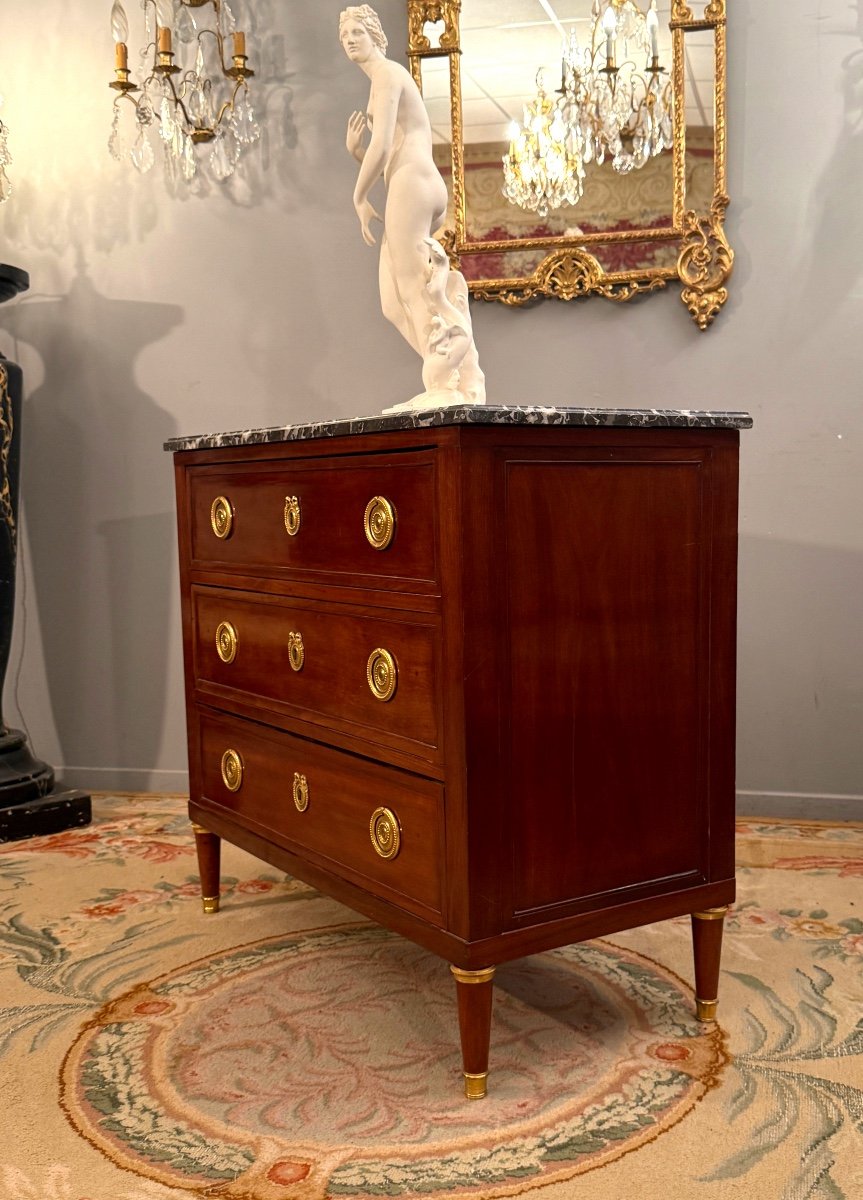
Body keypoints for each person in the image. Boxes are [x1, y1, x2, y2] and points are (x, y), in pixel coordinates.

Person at [339, 5, 484, 406]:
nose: (349, 40)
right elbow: (389, 149)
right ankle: (460, 371)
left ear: (374, 35)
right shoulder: (382, 80)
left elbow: (386, 143)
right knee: (392, 301)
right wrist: (358, 155)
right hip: (411, 182)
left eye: (357, 32)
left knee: (413, 288)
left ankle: (443, 383)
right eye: (344, 36)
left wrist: (359, 195)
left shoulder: (387, 74)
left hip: (413, 183)